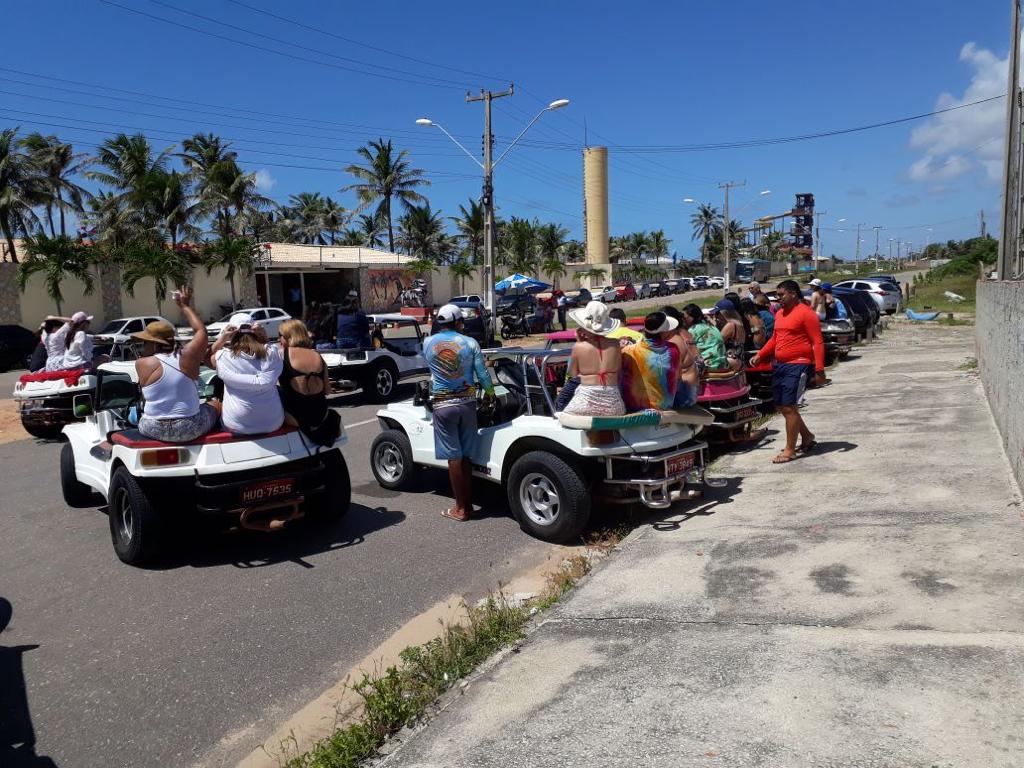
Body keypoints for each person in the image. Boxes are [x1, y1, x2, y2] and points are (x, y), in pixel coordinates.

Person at [423, 304, 495, 523]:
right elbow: (482, 374)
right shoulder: (470, 343)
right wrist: (491, 394)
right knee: (465, 457)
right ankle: (467, 505)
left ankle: (461, 508)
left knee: (453, 458)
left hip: (443, 405)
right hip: (467, 404)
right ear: (457, 322)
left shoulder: (427, 343)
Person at [750, 279, 826, 465]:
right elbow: (776, 339)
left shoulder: (806, 314)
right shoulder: (780, 314)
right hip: (781, 365)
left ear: (793, 293)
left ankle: (790, 450)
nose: (778, 298)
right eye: (777, 295)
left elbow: (817, 342)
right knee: (780, 406)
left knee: (789, 406)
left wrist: (820, 370)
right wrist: (760, 355)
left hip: (799, 364)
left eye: (781, 294)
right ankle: (806, 436)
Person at [133, 287, 221, 443]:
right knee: (216, 404)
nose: (143, 346)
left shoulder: (141, 363)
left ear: (154, 344)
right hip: (189, 428)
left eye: (145, 342)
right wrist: (184, 305)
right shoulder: (188, 357)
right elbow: (201, 331)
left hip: (152, 428)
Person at [209, 313, 285, 435]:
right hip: (273, 422)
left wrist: (222, 338)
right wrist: (264, 337)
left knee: (216, 403)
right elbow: (269, 349)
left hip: (236, 425)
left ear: (232, 332)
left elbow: (207, 358)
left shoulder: (223, 356)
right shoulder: (272, 353)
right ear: (254, 330)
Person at [277, 318, 340, 445]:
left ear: (289, 337)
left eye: (280, 336)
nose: (279, 340)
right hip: (321, 415)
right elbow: (328, 391)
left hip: (296, 416)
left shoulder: (281, 354)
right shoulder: (318, 356)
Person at [561, 301, 626, 416]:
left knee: (560, 413)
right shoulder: (616, 344)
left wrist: (579, 342)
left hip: (586, 402)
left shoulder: (579, 347)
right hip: (614, 404)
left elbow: (573, 373)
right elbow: (619, 370)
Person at [620, 311, 682, 411]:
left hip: (636, 407)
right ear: (663, 332)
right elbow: (678, 377)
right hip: (665, 406)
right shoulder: (673, 349)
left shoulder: (629, 351)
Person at [662, 306, 701, 408]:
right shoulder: (683, 333)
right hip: (691, 389)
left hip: (685, 394)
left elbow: (671, 375)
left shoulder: (674, 341)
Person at [681, 303, 730, 372]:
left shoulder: (693, 330)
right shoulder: (710, 325)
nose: (683, 320)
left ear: (692, 317)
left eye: (684, 317)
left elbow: (686, 349)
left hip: (710, 365)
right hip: (723, 363)